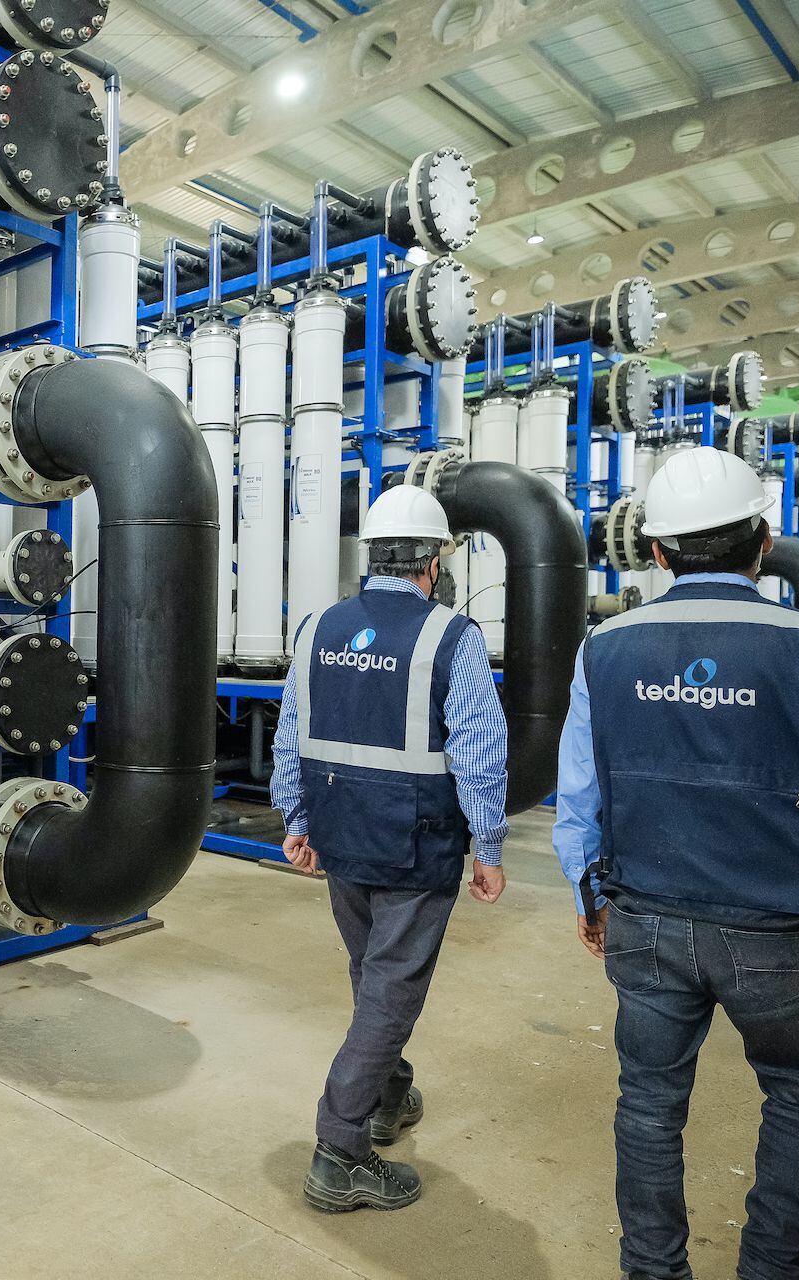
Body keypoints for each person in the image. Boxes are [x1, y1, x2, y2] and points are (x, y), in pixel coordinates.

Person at [553, 447, 799, 1280]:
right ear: (763, 542)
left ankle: (652, 1270)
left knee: (647, 1104)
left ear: (656, 552)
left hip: (642, 918)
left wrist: (586, 890)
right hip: (778, 930)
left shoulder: (604, 648)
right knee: (798, 1094)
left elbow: (580, 792)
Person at [270, 482, 510, 1214]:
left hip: (341, 835)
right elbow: (480, 748)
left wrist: (296, 817)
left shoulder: (316, 629)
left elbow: (292, 733)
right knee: (390, 990)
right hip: (415, 845)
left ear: (372, 555)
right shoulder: (452, 636)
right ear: (433, 562)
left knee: (372, 974)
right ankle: (341, 1148)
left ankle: (387, 1096)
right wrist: (490, 844)